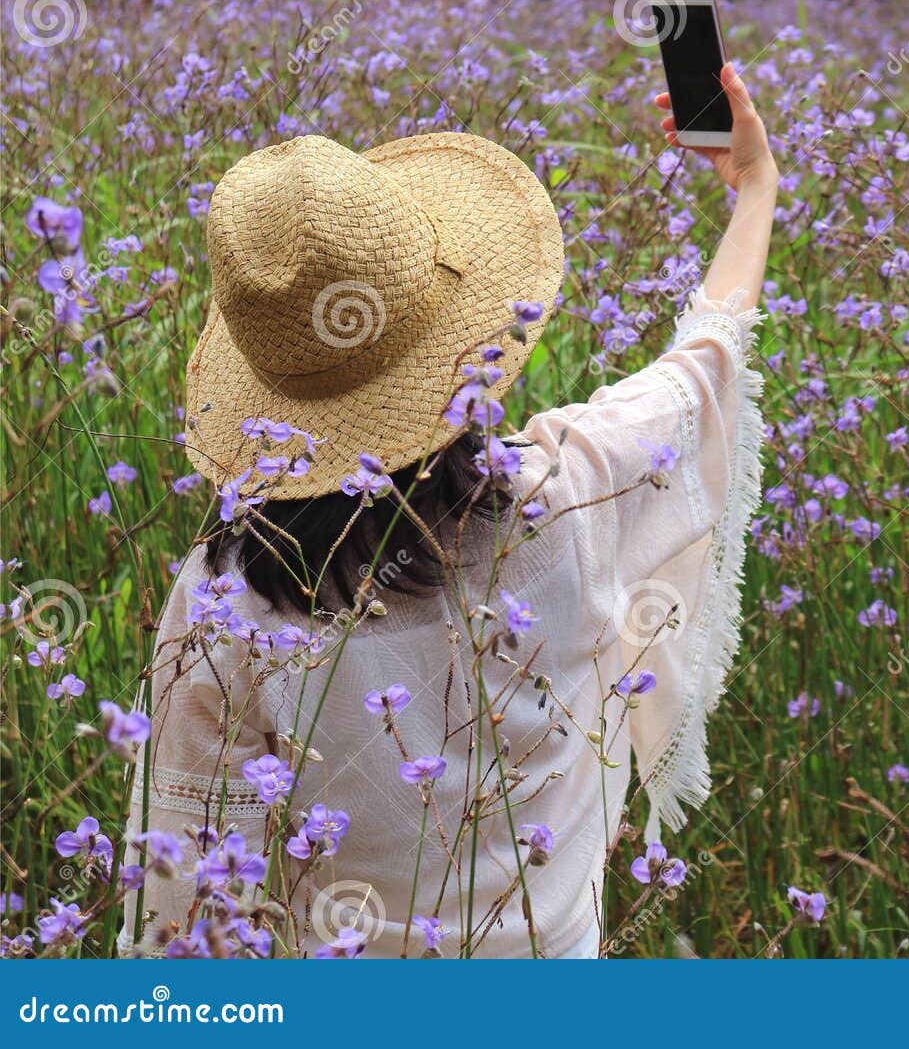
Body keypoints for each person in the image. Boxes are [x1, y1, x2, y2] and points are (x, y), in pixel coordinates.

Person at [119, 65, 777, 958]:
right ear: (456, 339)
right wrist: (753, 188)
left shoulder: (225, 604)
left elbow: (187, 891)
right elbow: (701, 364)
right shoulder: (572, 498)